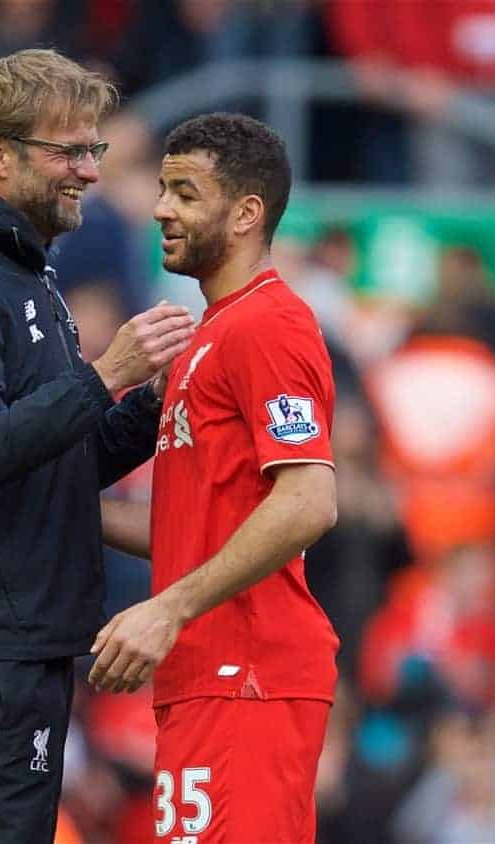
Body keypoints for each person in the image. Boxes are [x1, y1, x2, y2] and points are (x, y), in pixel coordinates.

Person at [0, 49, 194, 842]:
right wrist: (106, 375)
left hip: (24, 633)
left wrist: (155, 399)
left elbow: (63, 460)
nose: (90, 170)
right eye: (70, 151)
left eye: (95, 149)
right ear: (0, 154)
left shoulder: (25, 275)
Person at [88, 113, 341, 842]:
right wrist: (69, 507)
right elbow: (190, 525)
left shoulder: (269, 326)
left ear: (246, 214)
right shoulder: (209, 337)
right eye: (163, 190)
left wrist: (167, 609)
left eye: (186, 193)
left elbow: (309, 499)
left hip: (250, 674)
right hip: (207, 678)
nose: (162, 208)